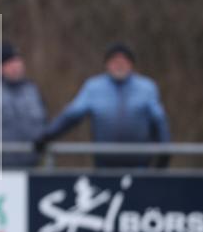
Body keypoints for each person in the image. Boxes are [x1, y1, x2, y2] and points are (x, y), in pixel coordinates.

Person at [36, 42, 171, 168]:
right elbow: (72, 115)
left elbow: (159, 120)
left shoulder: (146, 88)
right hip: (104, 167)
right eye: (115, 61)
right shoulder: (94, 87)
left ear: (131, 64)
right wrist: (48, 135)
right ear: (107, 64)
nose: (119, 65)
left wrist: (164, 150)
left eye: (123, 61)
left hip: (140, 166)